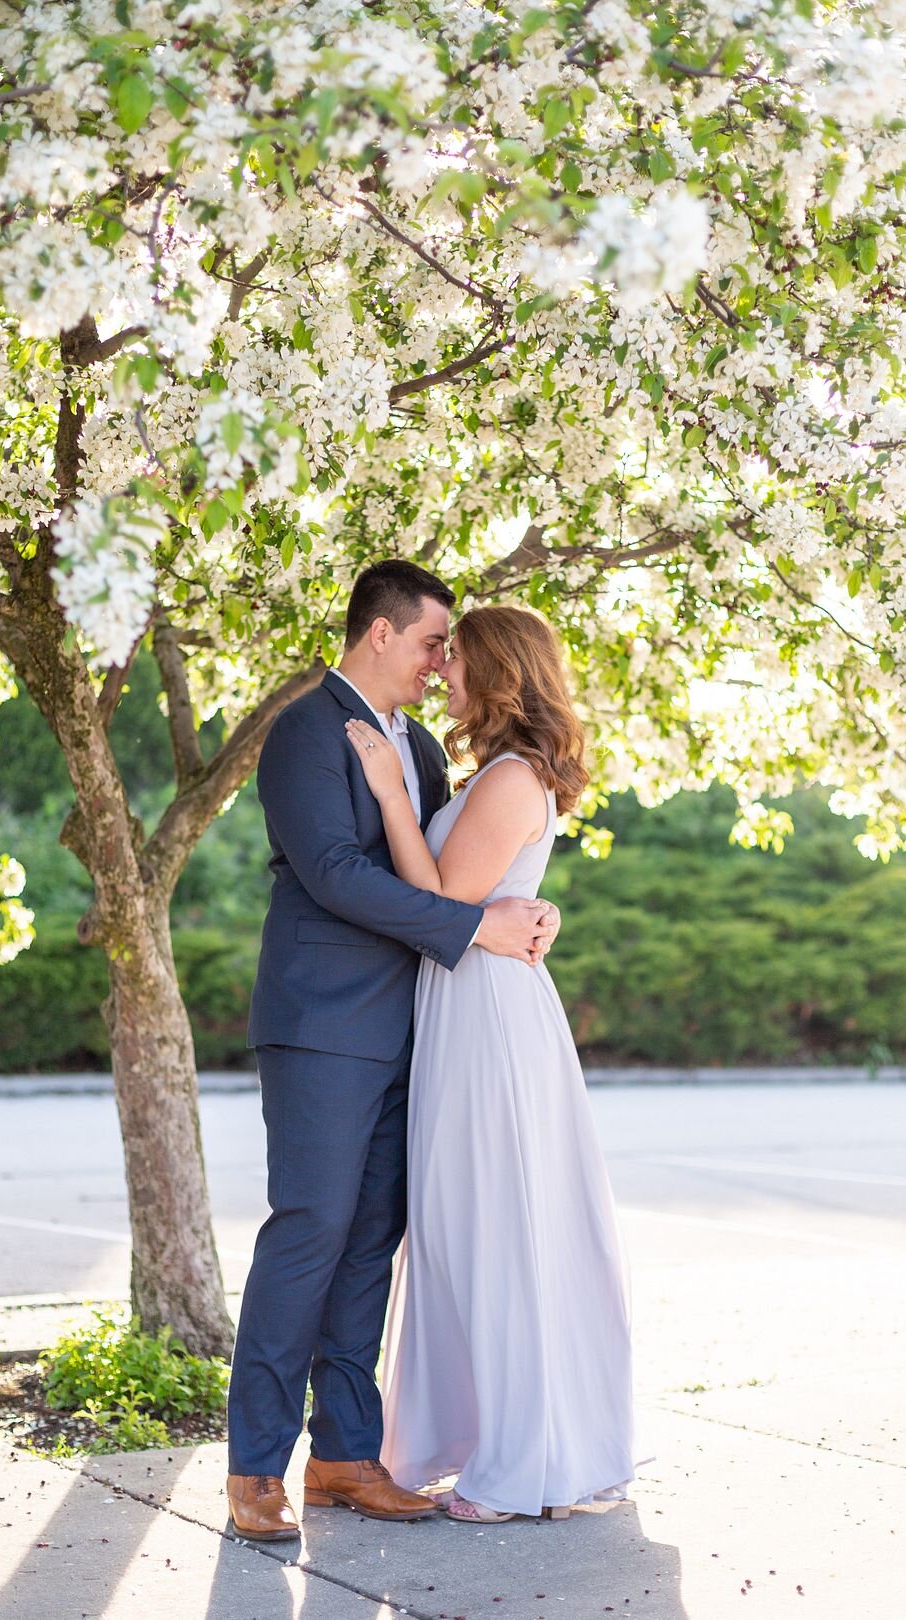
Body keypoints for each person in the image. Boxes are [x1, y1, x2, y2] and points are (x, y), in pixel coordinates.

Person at [226, 562, 560, 1541]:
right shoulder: (304, 732)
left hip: (420, 1032)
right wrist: (476, 931)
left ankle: (343, 1457)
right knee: (310, 1231)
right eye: (428, 644)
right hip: (323, 1026)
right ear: (379, 633)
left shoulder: (419, 747)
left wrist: (510, 917)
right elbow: (334, 874)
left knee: (372, 1241)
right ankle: (255, 1468)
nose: (438, 663)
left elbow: (454, 873)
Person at [346, 604, 645, 1524]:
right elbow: (479, 904)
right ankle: (502, 1441)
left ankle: (524, 1465)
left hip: (489, 1017)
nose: (444, 673)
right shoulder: (495, 775)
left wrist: (393, 794)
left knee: (500, 1229)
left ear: (500, 673)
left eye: (457, 658)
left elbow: (445, 898)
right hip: (467, 1004)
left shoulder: (513, 778)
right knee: (471, 1228)